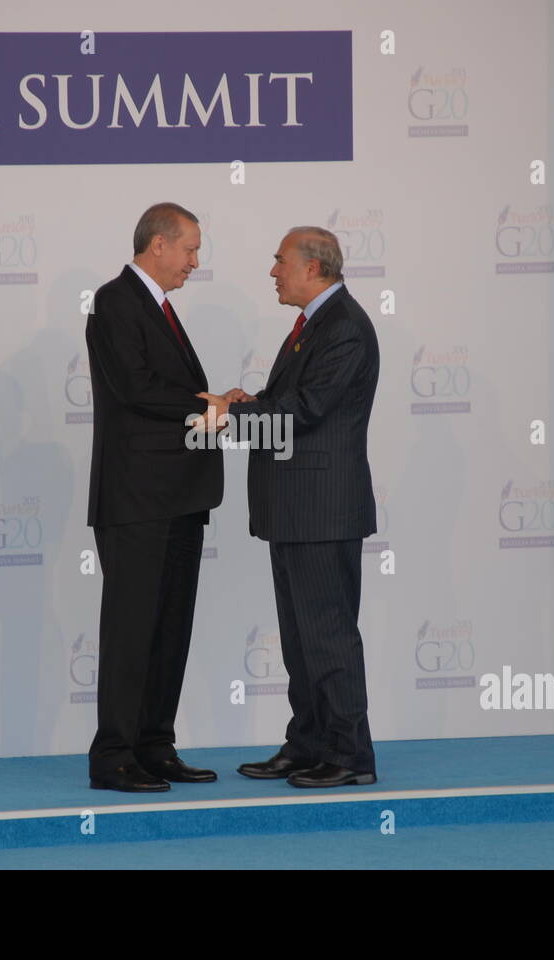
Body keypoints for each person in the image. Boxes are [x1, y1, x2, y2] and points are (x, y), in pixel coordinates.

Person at [199, 226, 380, 787]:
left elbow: (307, 411)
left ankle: (349, 757)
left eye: (280, 262)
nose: (273, 272)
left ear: (313, 267)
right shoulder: (316, 325)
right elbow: (294, 406)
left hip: (321, 511)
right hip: (298, 510)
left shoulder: (344, 327)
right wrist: (251, 402)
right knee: (303, 639)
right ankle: (309, 742)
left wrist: (232, 417)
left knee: (327, 635)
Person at [84, 201, 223, 792]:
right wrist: (205, 404)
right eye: (190, 249)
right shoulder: (116, 301)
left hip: (179, 497)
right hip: (137, 498)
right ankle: (114, 754)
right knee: (132, 630)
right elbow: (136, 389)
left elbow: (168, 391)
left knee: (170, 628)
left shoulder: (160, 309)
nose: (196, 261)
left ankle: (154, 746)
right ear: (158, 244)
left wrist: (215, 403)